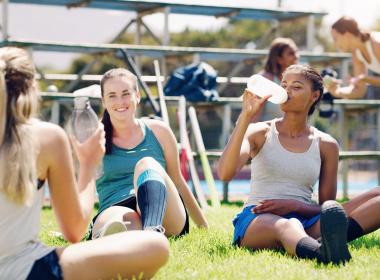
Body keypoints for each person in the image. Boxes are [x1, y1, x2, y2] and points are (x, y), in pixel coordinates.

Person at [0, 47, 169, 280]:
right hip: (27, 269)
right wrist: (88, 165)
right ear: (31, 88)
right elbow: (74, 230)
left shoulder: (155, 131)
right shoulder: (46, 138)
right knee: (154, 245)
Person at [218, 64, 380, 264]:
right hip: (258, 219)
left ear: (314, 96)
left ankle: (323, 243)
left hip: (307, 221)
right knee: (289, 225)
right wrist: (245, 117)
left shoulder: (326, 144)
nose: (286, 91)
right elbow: (225, 173)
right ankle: (321, 252)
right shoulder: (259, 131)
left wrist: (295, 206)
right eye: (284, 85)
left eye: (296, 87)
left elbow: (326, 209)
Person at [90, 67, 208, 240]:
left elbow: (177, 181)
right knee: (121, 222)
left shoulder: (159, 131)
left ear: (137, 96)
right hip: (117, 207)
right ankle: (117, 236)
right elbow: (82, 188)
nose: (120, 101)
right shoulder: (94, 138)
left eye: (125, 93)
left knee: (147, 163)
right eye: (112, 95)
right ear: (104, 101)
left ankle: (152, 233)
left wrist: (203, 226)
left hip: (166, 211)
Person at [328, 16, 380, 98]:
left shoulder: (377, 45)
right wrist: (336, 91)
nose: (335, 44)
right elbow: (359, 91)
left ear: (347, 35)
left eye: (335, 39)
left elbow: (362, 79)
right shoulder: (356, 53)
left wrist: (364, 78)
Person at [257, 37, 299, 121]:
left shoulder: (300, 80)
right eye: (291, 53)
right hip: (266, 133)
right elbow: (253, 116)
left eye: (296, 52)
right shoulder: (265, 79)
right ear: (279, 59)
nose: (296, 57)